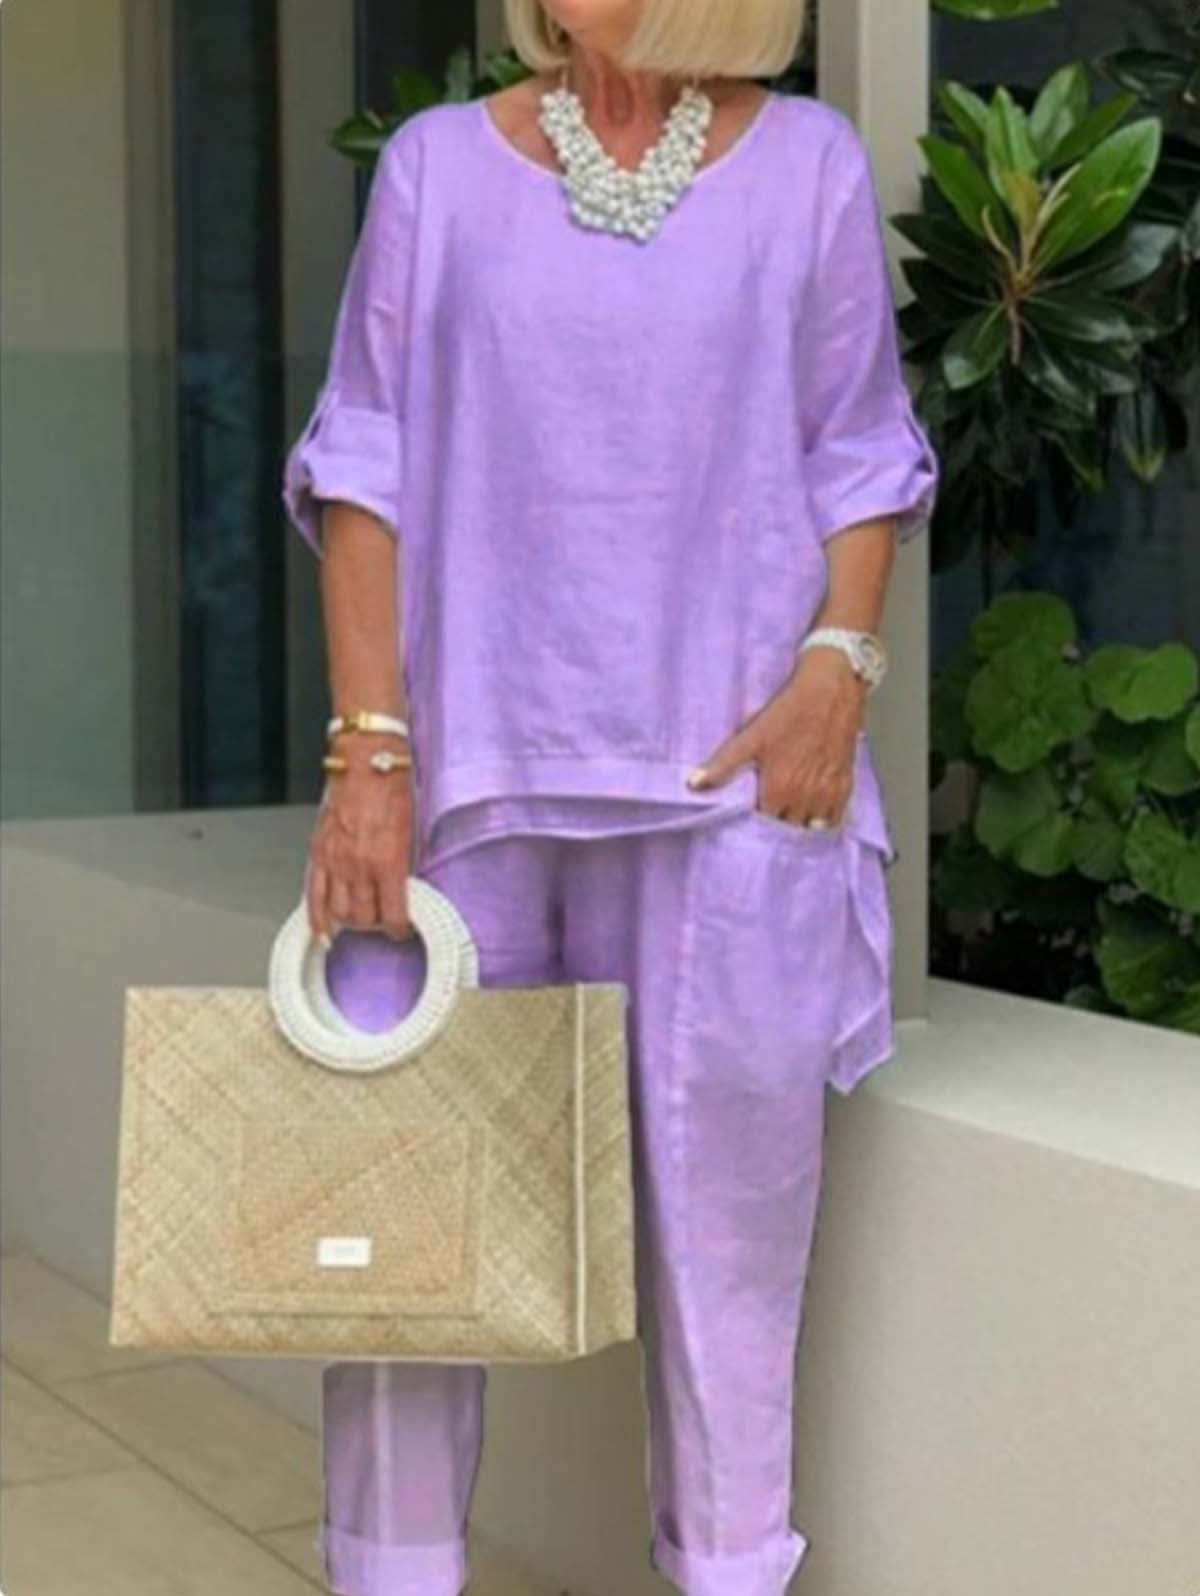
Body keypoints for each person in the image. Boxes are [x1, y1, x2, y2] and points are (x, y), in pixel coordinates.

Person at [281, 1, 939, 1592]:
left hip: (732, 796)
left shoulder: (808, 168)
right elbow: (361, 464)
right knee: (405, 1244)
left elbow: (862, 451)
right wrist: (369, 755)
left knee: (729, 1259)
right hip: (466, 791)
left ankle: (730, 1573)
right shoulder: (437, 170)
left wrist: (836, 673)